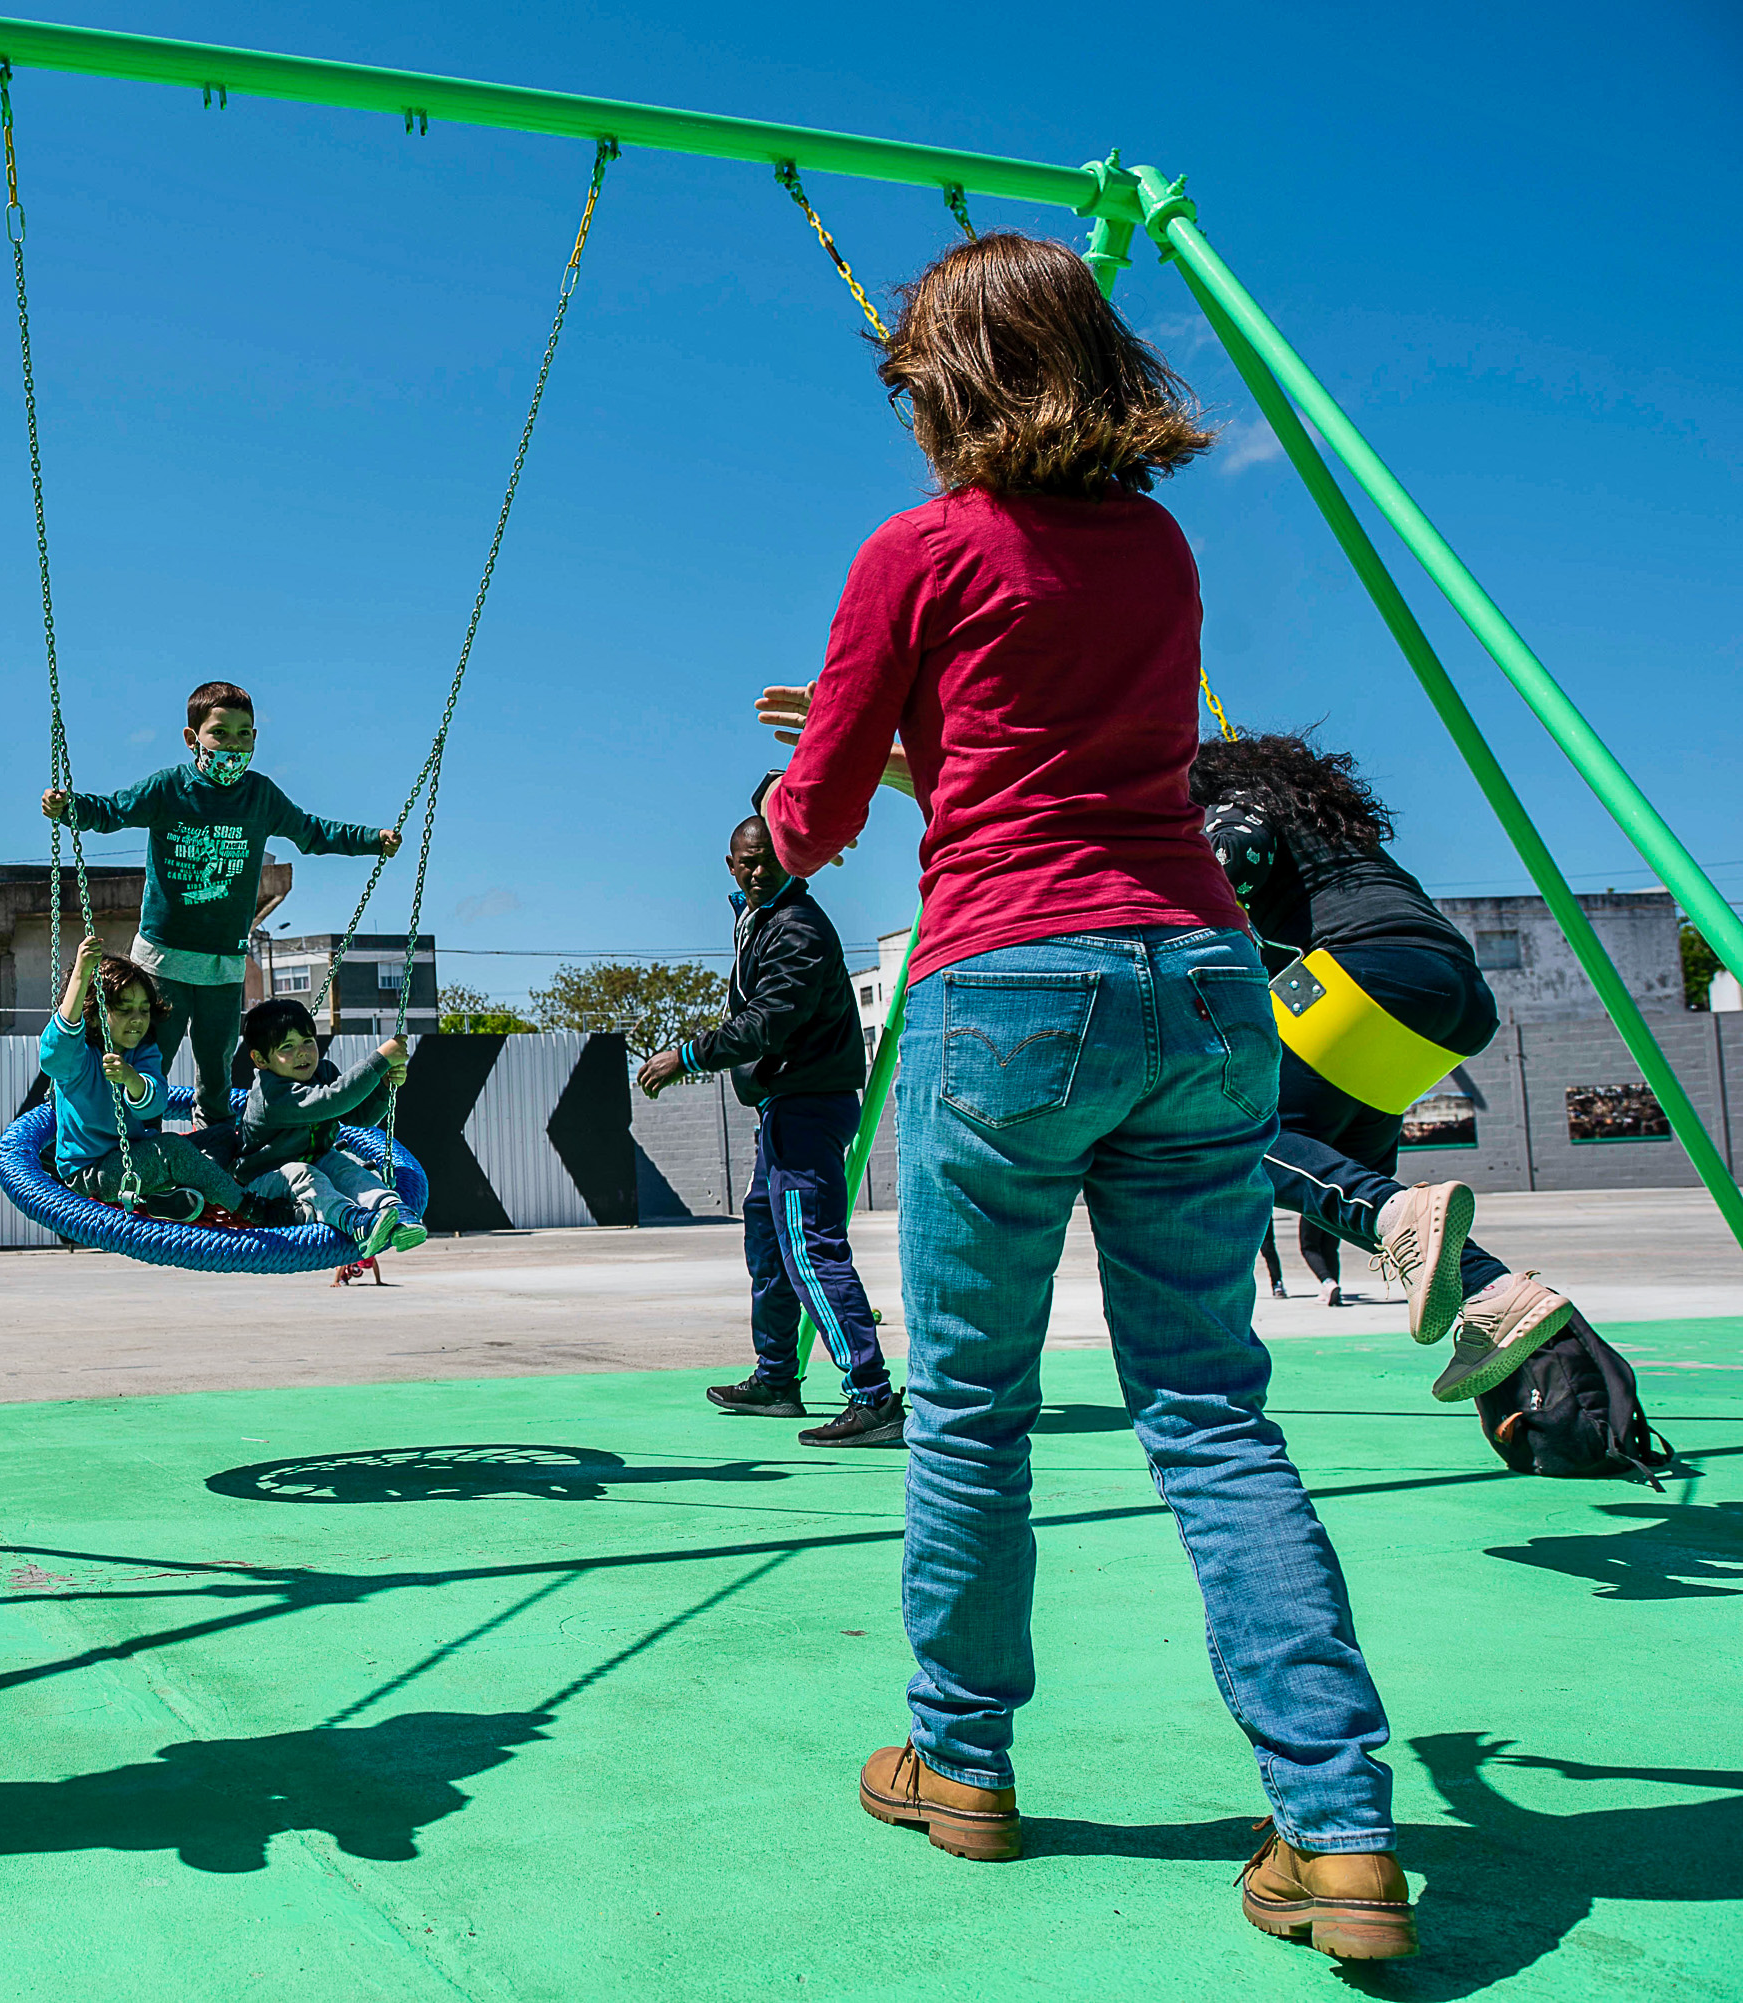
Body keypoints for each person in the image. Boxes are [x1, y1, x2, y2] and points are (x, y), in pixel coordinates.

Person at [759, 236, 1418, 1958]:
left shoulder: (915, 548)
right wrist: (918, 731)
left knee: (973, 1404)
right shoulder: (1159, 545)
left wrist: (816, 741)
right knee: (1209, 1405)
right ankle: (1337, 1828)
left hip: (1017, 982)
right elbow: (1076, 760)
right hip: (1199, 977)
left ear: (946, 385)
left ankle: (960, 1761)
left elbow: (812, 824)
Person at [1194, 731, 1570, 1401]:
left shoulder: (1240, 802)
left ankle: (1440, 1253)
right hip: (1451, 999)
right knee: (1356, 1190)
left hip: (1368, 974)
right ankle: (1493, 1292)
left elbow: (1231, 855)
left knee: (1230, 1130)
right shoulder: (1335, 834)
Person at [636, 814, 901, 1448]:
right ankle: (778, 1378)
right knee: (768, 1242)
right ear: (729, 866)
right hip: (781, 1105)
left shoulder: (797, 930)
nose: (755, 871)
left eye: (767, 859)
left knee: (811, 1247)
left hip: (808, 1104)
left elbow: (769, 1019)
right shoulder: (754, 918)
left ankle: (873, 1396)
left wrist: (688, 1056)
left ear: (791, 862)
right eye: (744, 861)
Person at [41, 682, 397, 1153]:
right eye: (221, 733)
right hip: (162, 961)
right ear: (193, 739)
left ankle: (217, 1150)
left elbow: (311, 832)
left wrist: (373, 839)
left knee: (216, 1066)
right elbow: (113, 810)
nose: (233, 744)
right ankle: (132, 1147)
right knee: (150, 1058)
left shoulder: (260, 797)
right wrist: (70, 809)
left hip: (222, 966)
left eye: (245, 734)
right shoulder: (169, 788)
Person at [40, 934, 261, 1223]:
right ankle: (249, 1208)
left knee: (222, 1135)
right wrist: (80, 975)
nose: (137, 1018)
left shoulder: (143, 1053)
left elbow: (153, 1104)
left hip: (134, 1158)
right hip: (92, 1172)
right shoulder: (78, 1059)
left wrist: (131, 1079)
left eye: (144, 1010)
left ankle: (175, 1199)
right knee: (171, 1149)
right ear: (93, 1015)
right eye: (124, 1008)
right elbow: (52, 1055)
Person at [235, 997, 425, 1254]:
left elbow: (359, 1117)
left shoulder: (322, 1073)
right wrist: (378, 1061)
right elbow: (331, 1101)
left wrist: (383, 1086)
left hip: (317, 1161)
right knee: (302, 1172)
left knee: (347, 1167)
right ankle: (354, 1221)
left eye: (307, 1041)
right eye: (287, 1046)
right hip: (262, 1184)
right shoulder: (270, 1096)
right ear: (260, 1059)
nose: (302, 1052)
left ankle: (394, 1212)